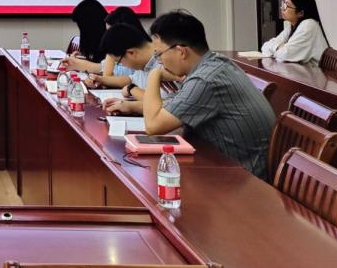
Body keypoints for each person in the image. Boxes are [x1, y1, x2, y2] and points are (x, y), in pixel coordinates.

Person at [105, 10, 275, 178]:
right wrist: (132, 106)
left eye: (158, 55)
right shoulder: (215, 64)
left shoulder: (205, 80)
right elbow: (173, 106)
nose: (159, 61)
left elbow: (153, 126)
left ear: (181, 52)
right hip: (227, 162)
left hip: (241, 176)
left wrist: (154, 75)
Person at [260, 0, 328, 64]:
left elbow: (285, 55)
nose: (282, 8)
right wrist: (279, 47)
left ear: (300, 13)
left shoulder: (308, 25)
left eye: (286, 5)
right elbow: (265, 46)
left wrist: (279, 48)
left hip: (314, 71)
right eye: (283, 3)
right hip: (301, 70)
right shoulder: (292, 26)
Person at [61, 0, 107, 73]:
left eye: (81, 27)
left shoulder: (111, 42)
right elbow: (97, 62)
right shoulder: (97, 40)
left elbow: (106, 69)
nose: (82, 32)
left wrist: (78, 63)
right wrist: (80, 59)